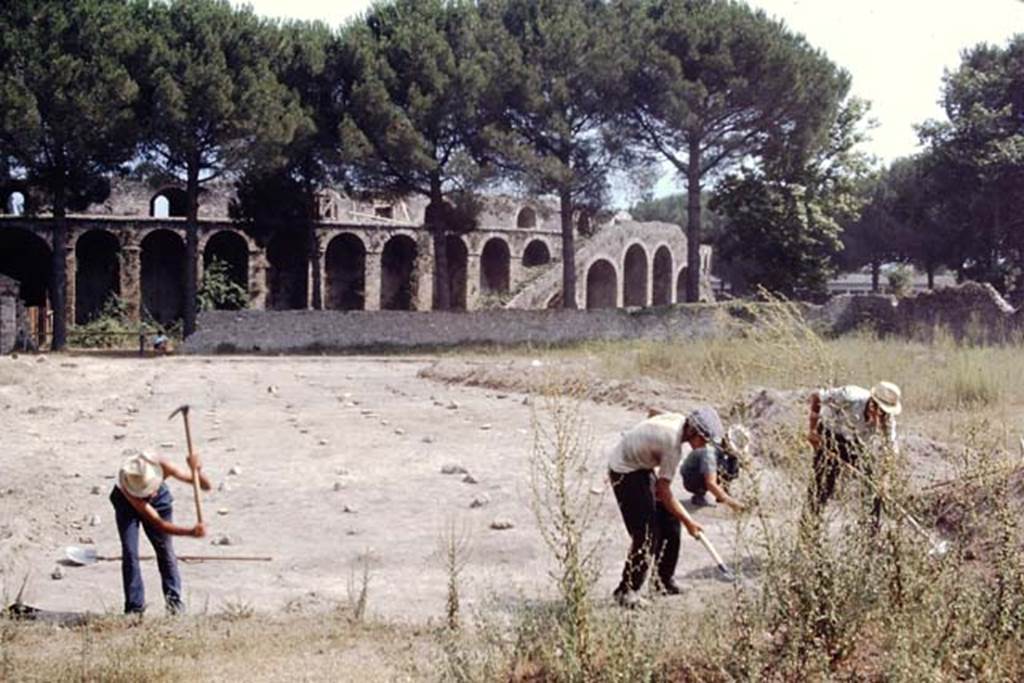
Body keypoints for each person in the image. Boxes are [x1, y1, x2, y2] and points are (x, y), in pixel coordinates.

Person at [607, 407, 725, 608]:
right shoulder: (672, 445)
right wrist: (689, 522)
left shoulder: (679, 420)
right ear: (693, 432)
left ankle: (662, 582)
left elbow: (653, 412)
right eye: (704, 440)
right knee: (646, 534)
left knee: (671, 522)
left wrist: (645, 445)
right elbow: (664, 491)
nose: (705, 446)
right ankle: (626, 591)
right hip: (625, 471)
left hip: (641, 466)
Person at [109, 450, 210, 615]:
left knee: (165, 550)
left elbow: (205, 486)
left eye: (151, 488)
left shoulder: (162, 465)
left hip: (160, 503)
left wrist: (197, 470)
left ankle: (174, 604)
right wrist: (191, 532)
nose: (152, 493)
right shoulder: (128, 486)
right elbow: (159, 524)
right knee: (130, 552)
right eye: (147, 491)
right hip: (125, 505)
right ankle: (134, 608)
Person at [805, 381, 902, 521]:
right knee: (822, 486)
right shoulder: (849, 396)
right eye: (881, 411)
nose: (882, 418)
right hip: (830, 435)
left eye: (886, 413)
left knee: (874, 488)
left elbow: (891, 451)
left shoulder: (887, 421)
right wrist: (813, 431)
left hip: (855, 443)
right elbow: (817, 397)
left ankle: (869, 529)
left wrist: (884, 480)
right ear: (872, 404)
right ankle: (810, 526)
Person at [680, 440, 746, 512]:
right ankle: (699, 493)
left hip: (703, 470)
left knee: (733, 463)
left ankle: (723, 493)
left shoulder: (720, 451)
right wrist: (734, 504)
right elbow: (710, 483)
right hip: (691, 479)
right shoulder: (709, 454)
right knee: (711, 474)